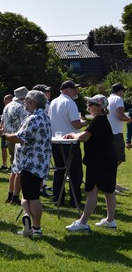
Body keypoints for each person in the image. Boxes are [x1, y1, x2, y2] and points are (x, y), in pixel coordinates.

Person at [0, 90, 52, 238]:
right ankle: (29, 221)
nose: (24, 103)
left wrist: (3, 135)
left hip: (31, 164)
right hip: (39, 163)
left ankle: (36, 228)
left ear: (33, 102)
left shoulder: (33, 118)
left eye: (26, 100)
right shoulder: (45, 117)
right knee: (27, 196)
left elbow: (20, 138)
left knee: (32, 198)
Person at [64, 95, 119, 232]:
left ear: (100, 107)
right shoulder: (100, 120)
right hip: (107, 159)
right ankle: (110, 220)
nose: (88, 106)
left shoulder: (98, 120)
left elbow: (84, 137)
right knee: (109, 190)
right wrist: (76, 134)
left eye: (91, 104)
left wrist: (73, 134)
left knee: (92, 191)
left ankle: (83, 223)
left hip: (99, 161)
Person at [48, 80, 87, 208]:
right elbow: (75, 124)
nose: (76, 91)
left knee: (59, 171)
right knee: (75, 172)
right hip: (70, 141)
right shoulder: (70, 103)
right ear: (66, 90)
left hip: (55, 140)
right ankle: (75, 201)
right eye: (74, 88)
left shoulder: (53, 102)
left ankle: (58, 198)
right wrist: (84, 122)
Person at [0, 86, 29, 205]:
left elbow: (3, 122)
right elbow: (25, 124)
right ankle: (15, 196)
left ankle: (10, 194)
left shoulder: (8, 105)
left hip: (8, 137)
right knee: (20, 169)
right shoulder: (22, 107)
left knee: (14, 167)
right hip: (18, 138)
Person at [106, 83, 132, 193]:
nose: (124, 93)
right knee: (118, 158)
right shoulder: (118, 99)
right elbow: (120, 115)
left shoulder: (107, 99)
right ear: (120, 91)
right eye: (123, 91)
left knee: (111, 159)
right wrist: (129, 119)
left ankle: (111, 182)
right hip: (116, 134)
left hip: (108, 133)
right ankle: (108, 182)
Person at [0, 94, 13, 171]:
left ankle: (13, 165)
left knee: (12, 149)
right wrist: (0, 127)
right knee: (3, 147)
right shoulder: (5, 108)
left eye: (5, 100)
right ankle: (4, 164)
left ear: (10, 99)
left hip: (11, 132)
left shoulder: (14, 108)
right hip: (4, 131)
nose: (4, 101)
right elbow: (2, 119)